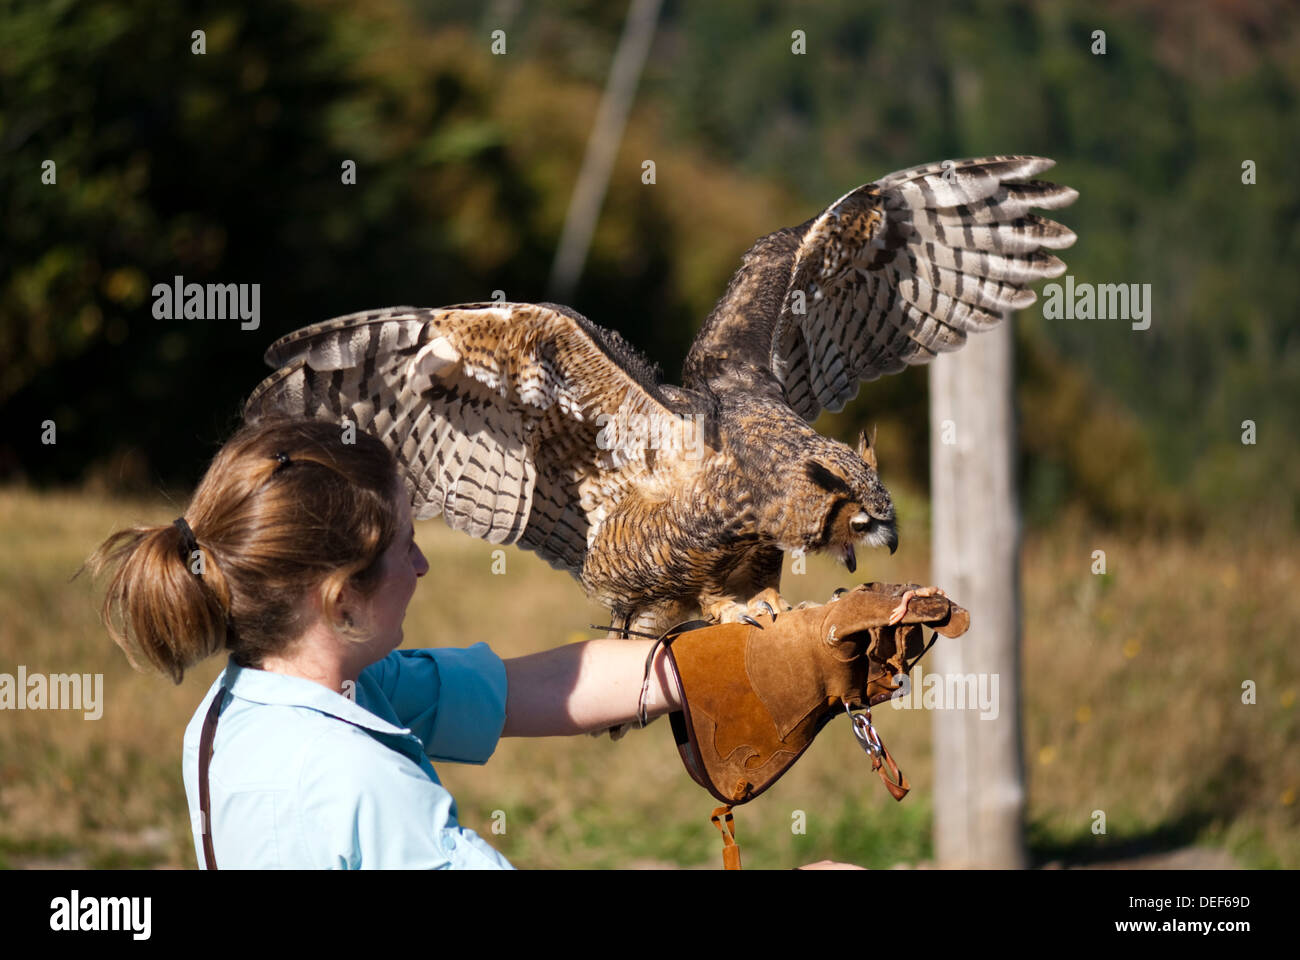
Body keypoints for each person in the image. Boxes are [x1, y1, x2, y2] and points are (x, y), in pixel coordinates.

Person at [88, 417, 860, 869]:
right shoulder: (358, 784)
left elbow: (528, 690)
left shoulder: (258, 710)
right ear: (340, 595)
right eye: (404, 547)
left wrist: (731, 657)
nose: (422, 566)